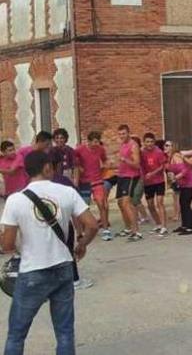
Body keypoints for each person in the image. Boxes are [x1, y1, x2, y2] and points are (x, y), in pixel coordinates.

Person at [1, 150, 99, 355]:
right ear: (47, 167)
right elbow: (92, 225)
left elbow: (7, 245)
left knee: (17, 334)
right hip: (63, 267)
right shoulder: (67, 192)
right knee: (64, 332)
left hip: (32, 271)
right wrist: (82, 245)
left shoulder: (15, 200)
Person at [114, 124, 142, 241]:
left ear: (128, 133)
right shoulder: (122, 144)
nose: (122, 136)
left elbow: (136, 164)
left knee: (127, 203)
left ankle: (137, 232)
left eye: (124, 133)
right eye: (120, 134)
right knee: (120, 203)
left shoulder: (133, 145)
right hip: (121, 176)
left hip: (131, 177)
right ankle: (128, 228)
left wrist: (125, 160)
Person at [140, 133, 169, 236]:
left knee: (159, 202)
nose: (149, 144)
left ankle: (164, 226)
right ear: (144, 142)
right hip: (148, 183)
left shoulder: (158, 152)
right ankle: (158, 224)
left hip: (159, 181)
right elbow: (141, 166)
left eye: (151, 142)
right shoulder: (142, 153)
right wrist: (143, 176)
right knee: (150, 204)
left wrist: (152, 173)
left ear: (154, 142)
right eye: (147, 142)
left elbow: (162, 166)